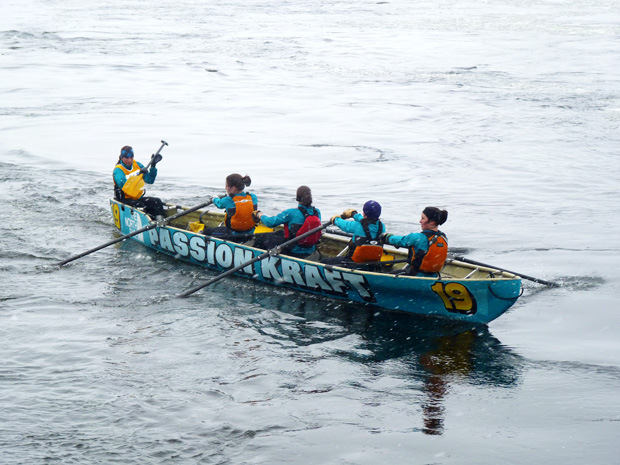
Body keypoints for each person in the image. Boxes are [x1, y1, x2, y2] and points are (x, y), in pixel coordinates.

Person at [253, 185, 322, 259]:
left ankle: (254, 256)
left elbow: (270, 223)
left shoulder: (291, 212)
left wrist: (259, 215)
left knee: (265, 237)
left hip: (293, 251)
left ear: (297, 198)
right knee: (280, 233)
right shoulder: (317, 212)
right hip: (311, 250)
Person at [381, 207, 448, 276]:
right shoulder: (444, 238)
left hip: (416, 274)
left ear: (432, 222)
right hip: (434, 276)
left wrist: (387, 237)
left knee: (386, 275)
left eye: (423, 218)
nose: (420, 221)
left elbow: (401, 241)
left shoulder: (417, 237)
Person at [323, 200, 386, 268]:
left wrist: (335, 219)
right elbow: (367, 222)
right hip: (372, 263)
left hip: (353, 263)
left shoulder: (357, 226)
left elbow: (344, 225)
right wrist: (354, 214)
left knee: (325, 262)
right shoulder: (382, 226)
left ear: (364, 214)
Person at [113, 145, 165, 219]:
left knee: (157, 202)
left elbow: (150, 180)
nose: (129, 160)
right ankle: (150, 222)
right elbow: (125, 187)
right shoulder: (118, 170)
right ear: (121, 157)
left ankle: (160, 222)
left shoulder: (137, 165)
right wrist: (138, 174)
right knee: (141, 206)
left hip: (137, 198)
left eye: (131, 157)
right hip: (124, 200)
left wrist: (153, 166)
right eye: (126, 158)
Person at [202, 173, 258, 241]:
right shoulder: (253, 197)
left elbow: (219, 204)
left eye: (227, 185)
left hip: (233, 234)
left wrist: (214, 198)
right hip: (250, 233)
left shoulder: (228, 200)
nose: (225, 188)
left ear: (233, 188)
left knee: (207, 231)